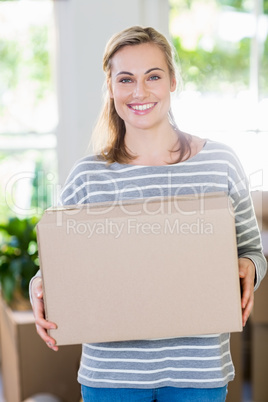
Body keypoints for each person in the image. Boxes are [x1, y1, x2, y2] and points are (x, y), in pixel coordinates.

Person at [30, 26, 267, 402]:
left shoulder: (220, 162)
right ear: (110, 87)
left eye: (152, 76)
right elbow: (57, 267)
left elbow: (254, 251)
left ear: (173, 81)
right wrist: (39, 287)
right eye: (125, 79)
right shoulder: (88, 176)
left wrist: (249, 268)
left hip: (198, 371)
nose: (139, 92)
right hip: (110, 376)